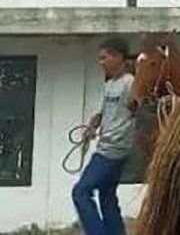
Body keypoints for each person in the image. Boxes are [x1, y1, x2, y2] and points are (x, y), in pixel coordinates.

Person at [72, 37, 135, 235]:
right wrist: (91, 127)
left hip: (113, 150)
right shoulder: (109, 85)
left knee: (80, 192)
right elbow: (101, 113)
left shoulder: (130, 83)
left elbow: (137, 106)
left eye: (104, 58)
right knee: (107, 196)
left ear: (118, 57)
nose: (100, 62)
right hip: (107, 148)